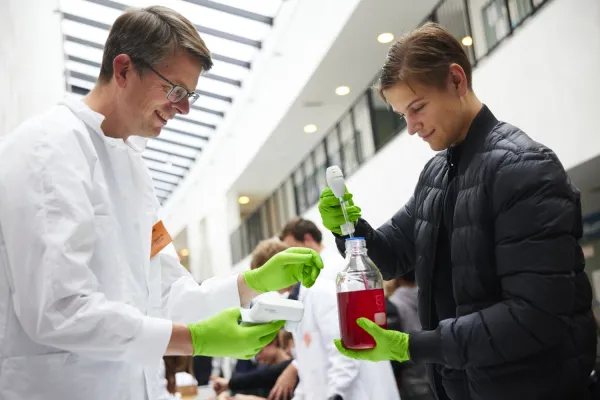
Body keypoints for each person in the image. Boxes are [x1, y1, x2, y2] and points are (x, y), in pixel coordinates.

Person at [0, 6, 323, 400]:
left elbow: (168, 292)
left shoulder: (133, 169)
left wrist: (250, 284)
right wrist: (194, 340)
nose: (183, 108)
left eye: (190, 95)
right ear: (123, 70)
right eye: (176, 90)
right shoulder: (49, 148)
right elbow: (58, 310)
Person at [318, 22, 597, 400]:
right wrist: (349, 228)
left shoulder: (524, 168)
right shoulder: (437, 174)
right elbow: (390, 256)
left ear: (456, 80)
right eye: (403, 115)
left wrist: (413, 345)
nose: (413, 128)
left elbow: (534, 316)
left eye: (417, 108)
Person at [271, 218, 400, 400]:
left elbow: (344, 343)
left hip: (359, 380)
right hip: (348, 376)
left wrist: (335, 392)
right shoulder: (315, 281)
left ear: (308, 239)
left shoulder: (333, 272)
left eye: (292, 248)